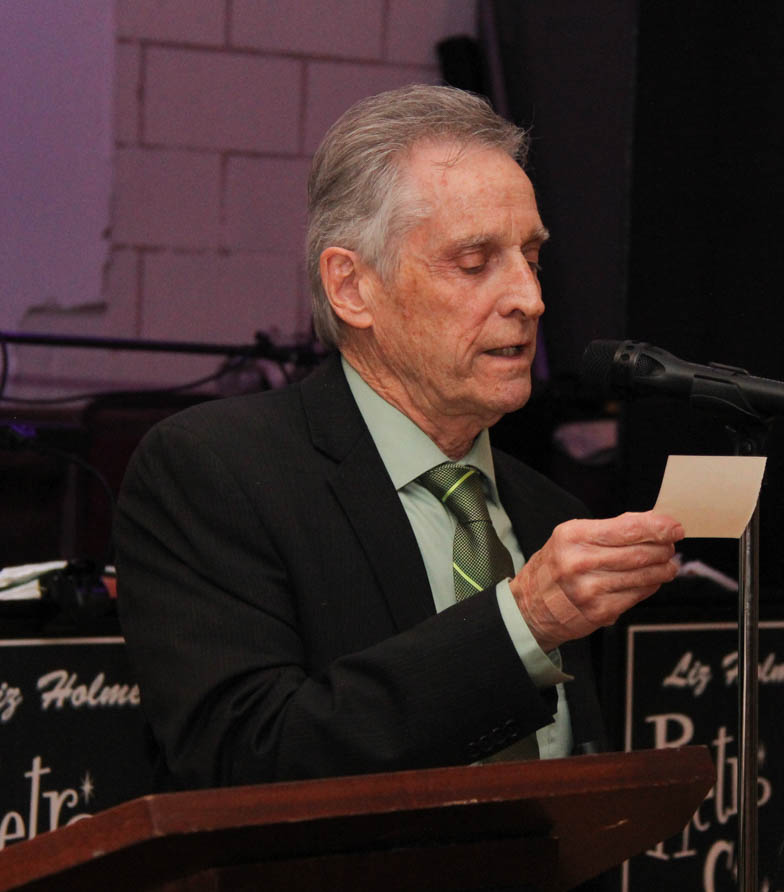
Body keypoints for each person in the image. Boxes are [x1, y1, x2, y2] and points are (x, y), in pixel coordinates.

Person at [114, 84, 683, 791]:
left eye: (530, 258)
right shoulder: (216, 474)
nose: (529, 299)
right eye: (475, 263)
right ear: (352, 288)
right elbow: (244, 756)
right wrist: (520, 623)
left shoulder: (550, 513)